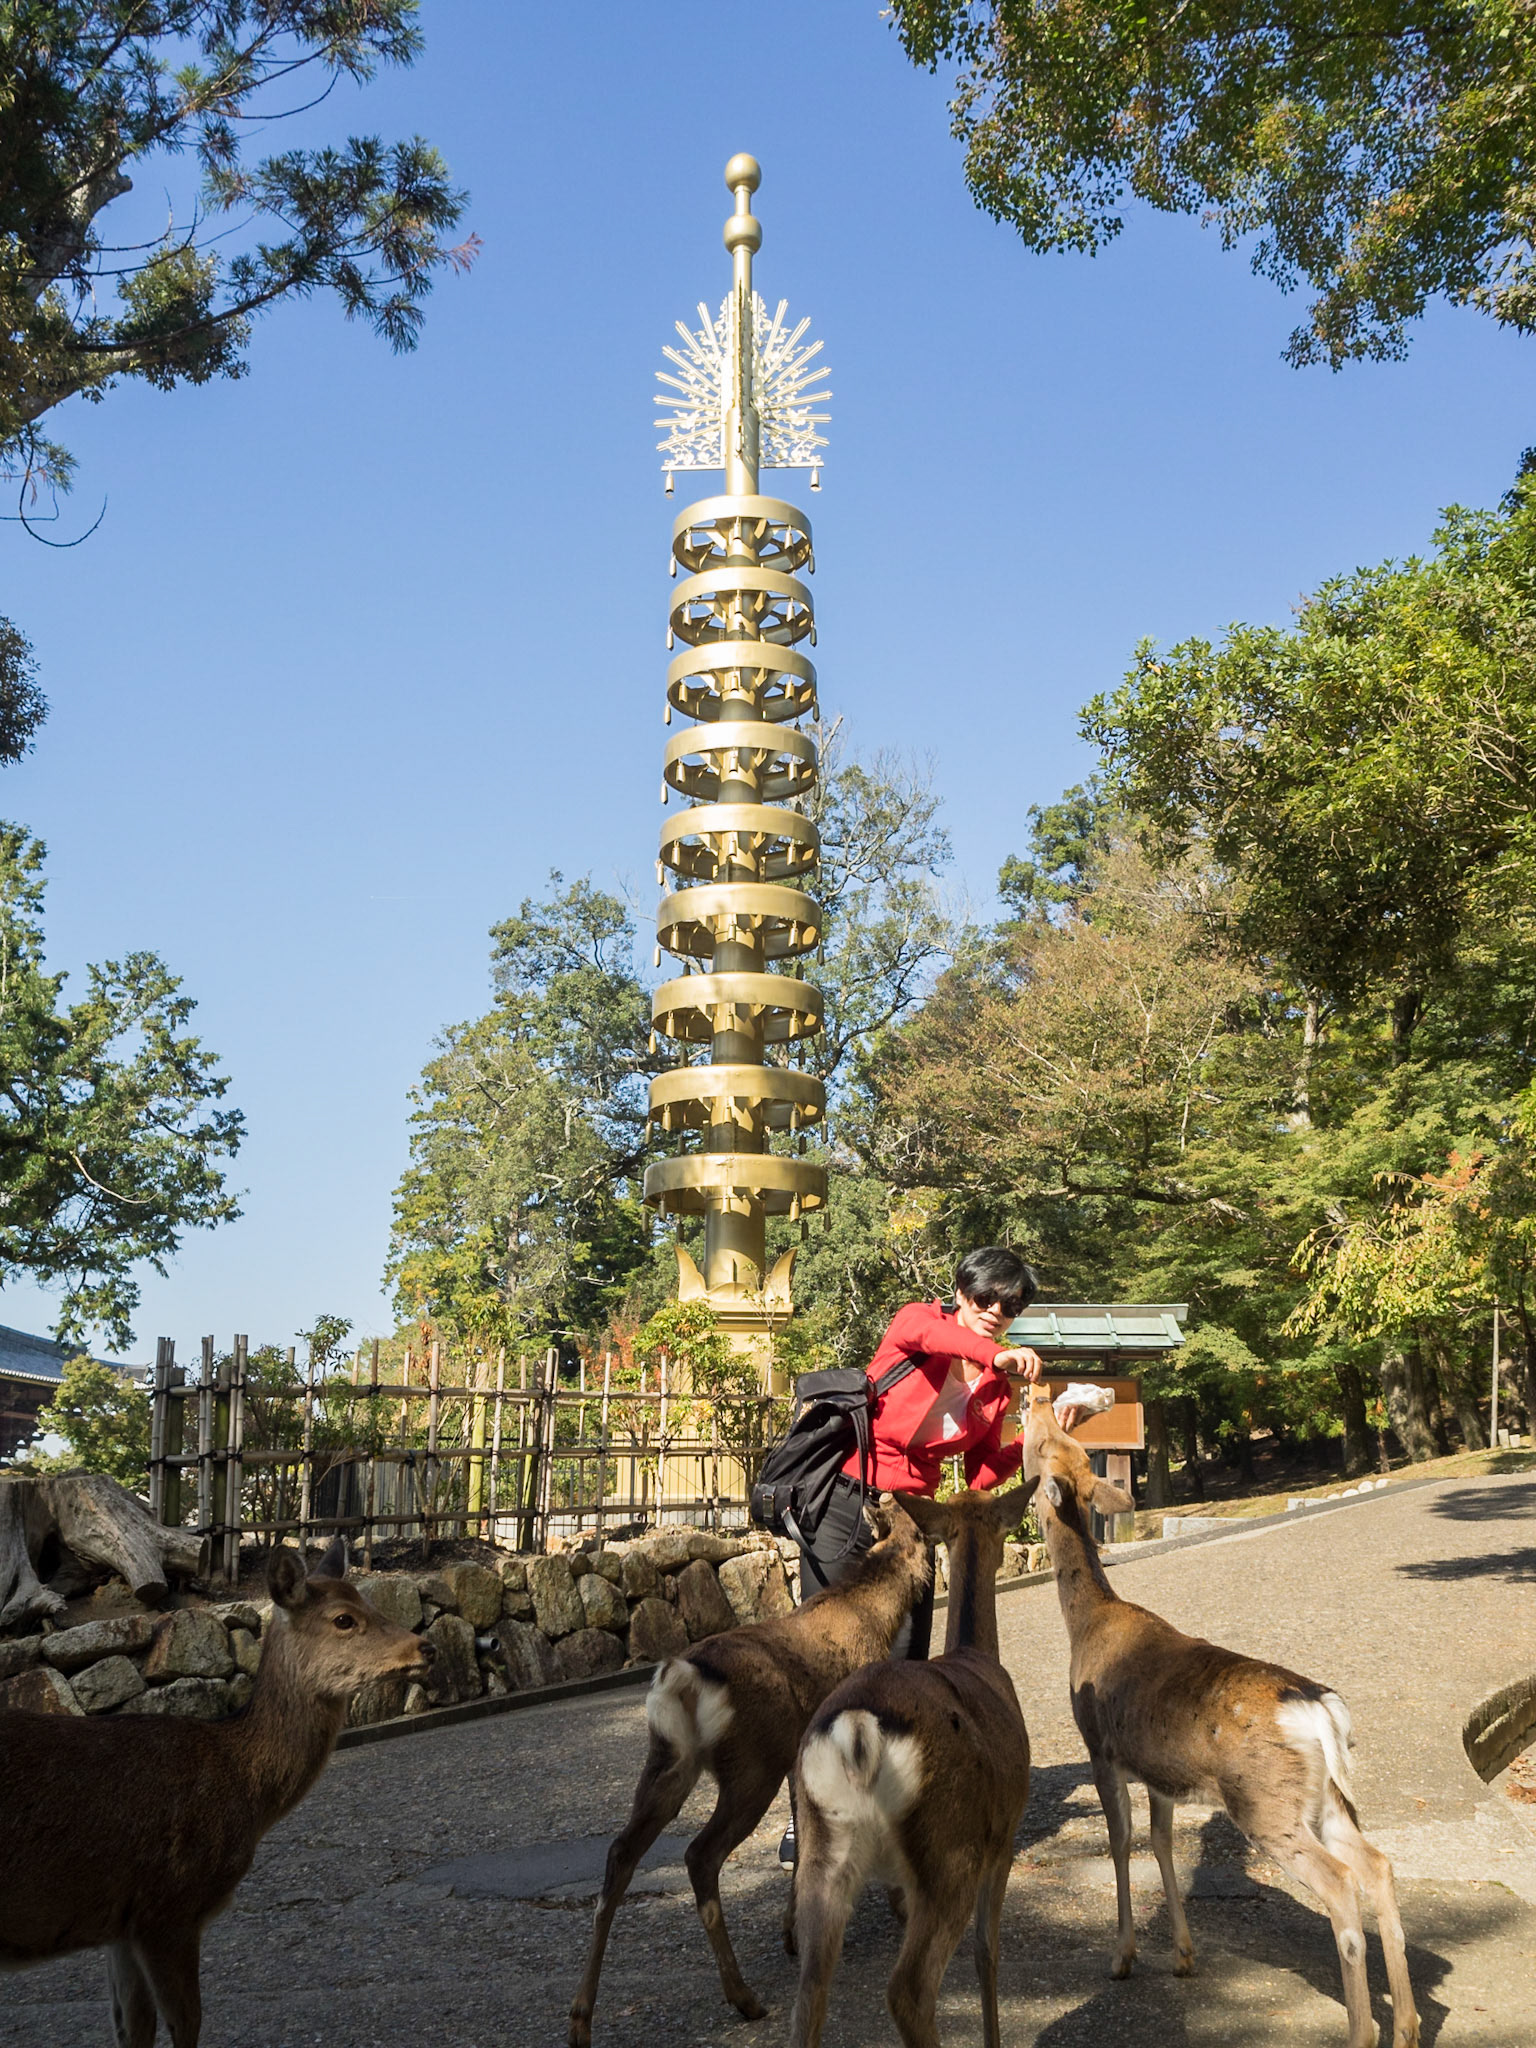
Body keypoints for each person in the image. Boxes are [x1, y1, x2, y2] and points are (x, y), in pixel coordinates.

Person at [779, 1245, 1055, 1864]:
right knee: (823, 1659)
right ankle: (806, 1812)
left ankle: (883, 1806)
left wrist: (1046, 1427)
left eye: (1009, 1306)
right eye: (984, 1298)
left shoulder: (995, 1386)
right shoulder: (917, 1324)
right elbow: (941, 1338)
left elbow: (983, 1475)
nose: (994, 1312)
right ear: (961, 1293)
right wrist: (998, 1354)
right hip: (847, 1501)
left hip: (912, 1520)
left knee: (903, 1667)